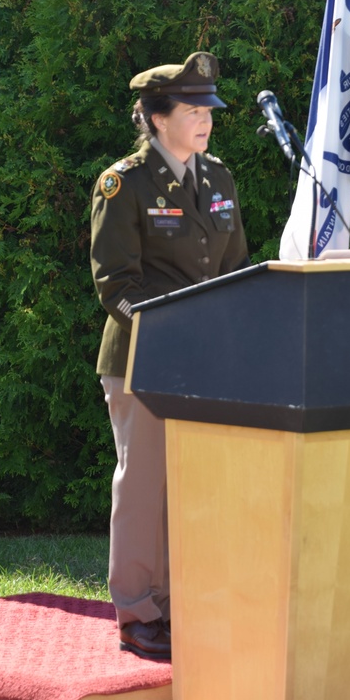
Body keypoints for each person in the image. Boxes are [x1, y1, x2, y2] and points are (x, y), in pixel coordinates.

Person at [90, 51, 250, 658]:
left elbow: (234, 269)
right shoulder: (122, 183)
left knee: (196, 488)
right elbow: (116, 285)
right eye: (192, 109)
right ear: (157, 119)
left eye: (209, 108)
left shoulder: (219, 178)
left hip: (207, 361)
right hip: (142, 358)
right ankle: (138, 611)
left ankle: (185, 605)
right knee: (145, 485)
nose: (206, 118)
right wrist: (173, 330)